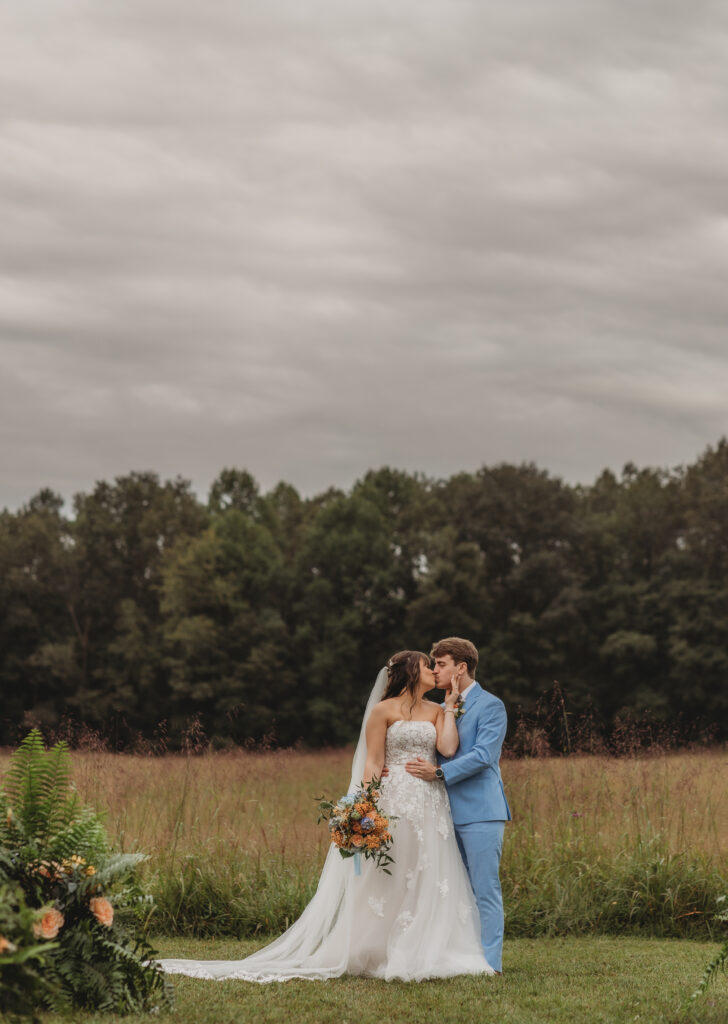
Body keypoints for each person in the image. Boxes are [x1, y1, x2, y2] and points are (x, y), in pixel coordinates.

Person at [156, 650, 495, 982]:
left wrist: (450, 710)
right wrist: (365, 804)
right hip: (393, 801)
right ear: (410, 672)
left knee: (426, 871)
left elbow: (448, 749)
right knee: (389, 874)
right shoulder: (383, 710)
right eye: (427, 666)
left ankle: (424, 948)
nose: (435, 672)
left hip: (428, 802)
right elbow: (374, 762)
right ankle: (378, 949)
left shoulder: (437, 710)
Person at [402, 637, 511, 974]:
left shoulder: (491, 706)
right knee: (455, 892)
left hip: (481, 811)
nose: (435, 671)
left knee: (484, 887)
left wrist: (438, 772)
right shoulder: (439, 706)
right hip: (442, 812)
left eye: (441, 664)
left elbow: (483, 756)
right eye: (433, 665)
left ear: (461, 668)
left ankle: (490, 964)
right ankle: (460, 957)